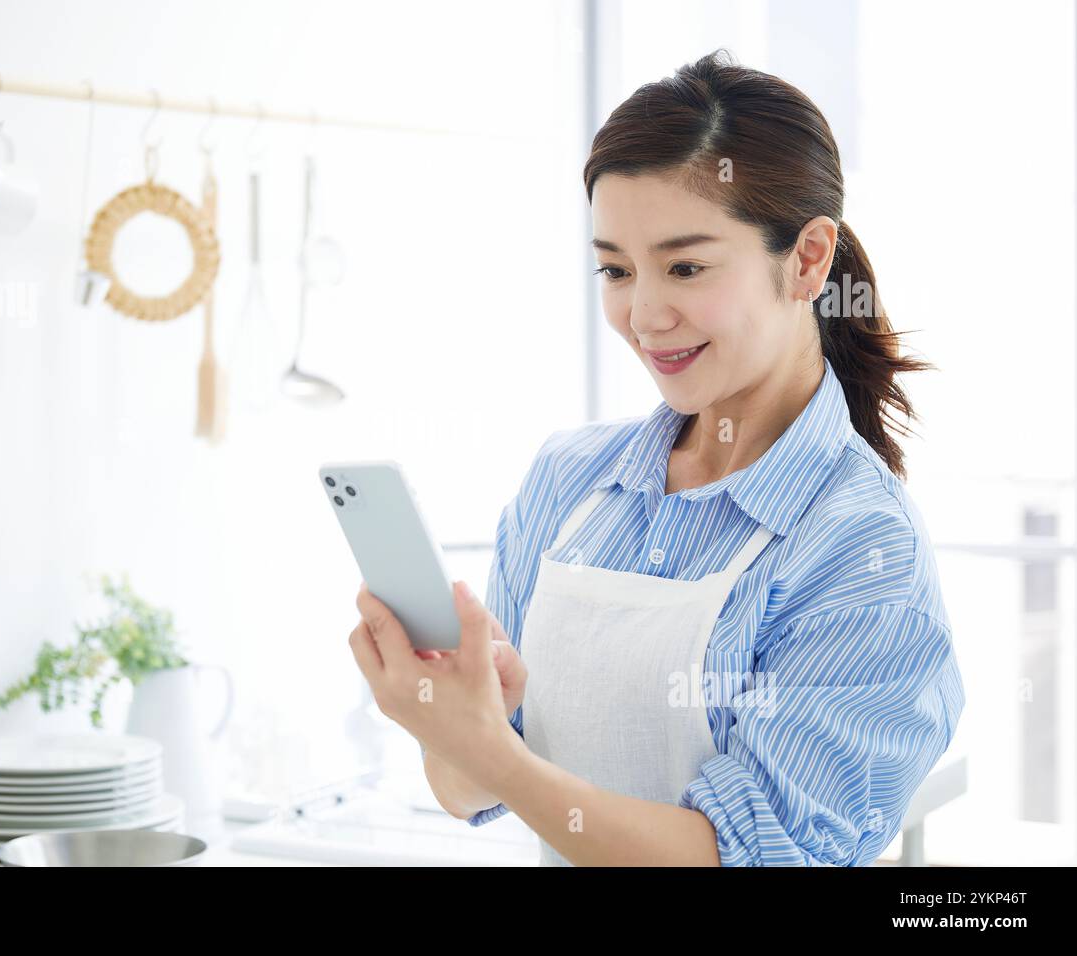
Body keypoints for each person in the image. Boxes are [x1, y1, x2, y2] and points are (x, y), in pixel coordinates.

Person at [348, 48, 965, 866]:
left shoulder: (862, 548)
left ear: (809, 260)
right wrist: (460, 725)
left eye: (685, 267)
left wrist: (492, 751)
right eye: (615, 269)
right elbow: (475, 795)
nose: (643, 314)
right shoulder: (570, 482)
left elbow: (740, 857)